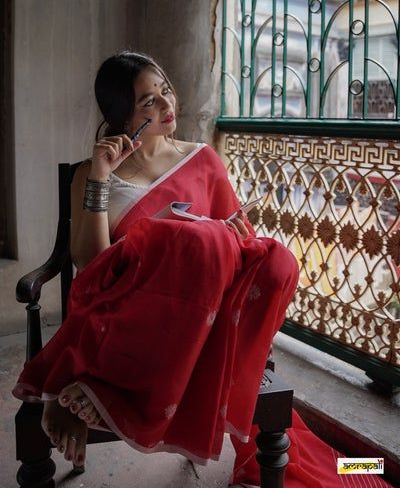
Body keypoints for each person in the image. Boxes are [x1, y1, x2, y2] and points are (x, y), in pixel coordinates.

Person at [13, 51, 299, 483]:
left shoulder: (202, 159)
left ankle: (116, 385)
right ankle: (100, 385)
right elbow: (91, 264)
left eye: (165, 91)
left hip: (195, 312)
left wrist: (223, 235)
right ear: (122, 115)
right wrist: (101, 181)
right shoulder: (93, 172)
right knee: (195, 239)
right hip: (126, 307)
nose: (167, 106)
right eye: (149, 102)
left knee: (273, 258)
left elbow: (238, 242)